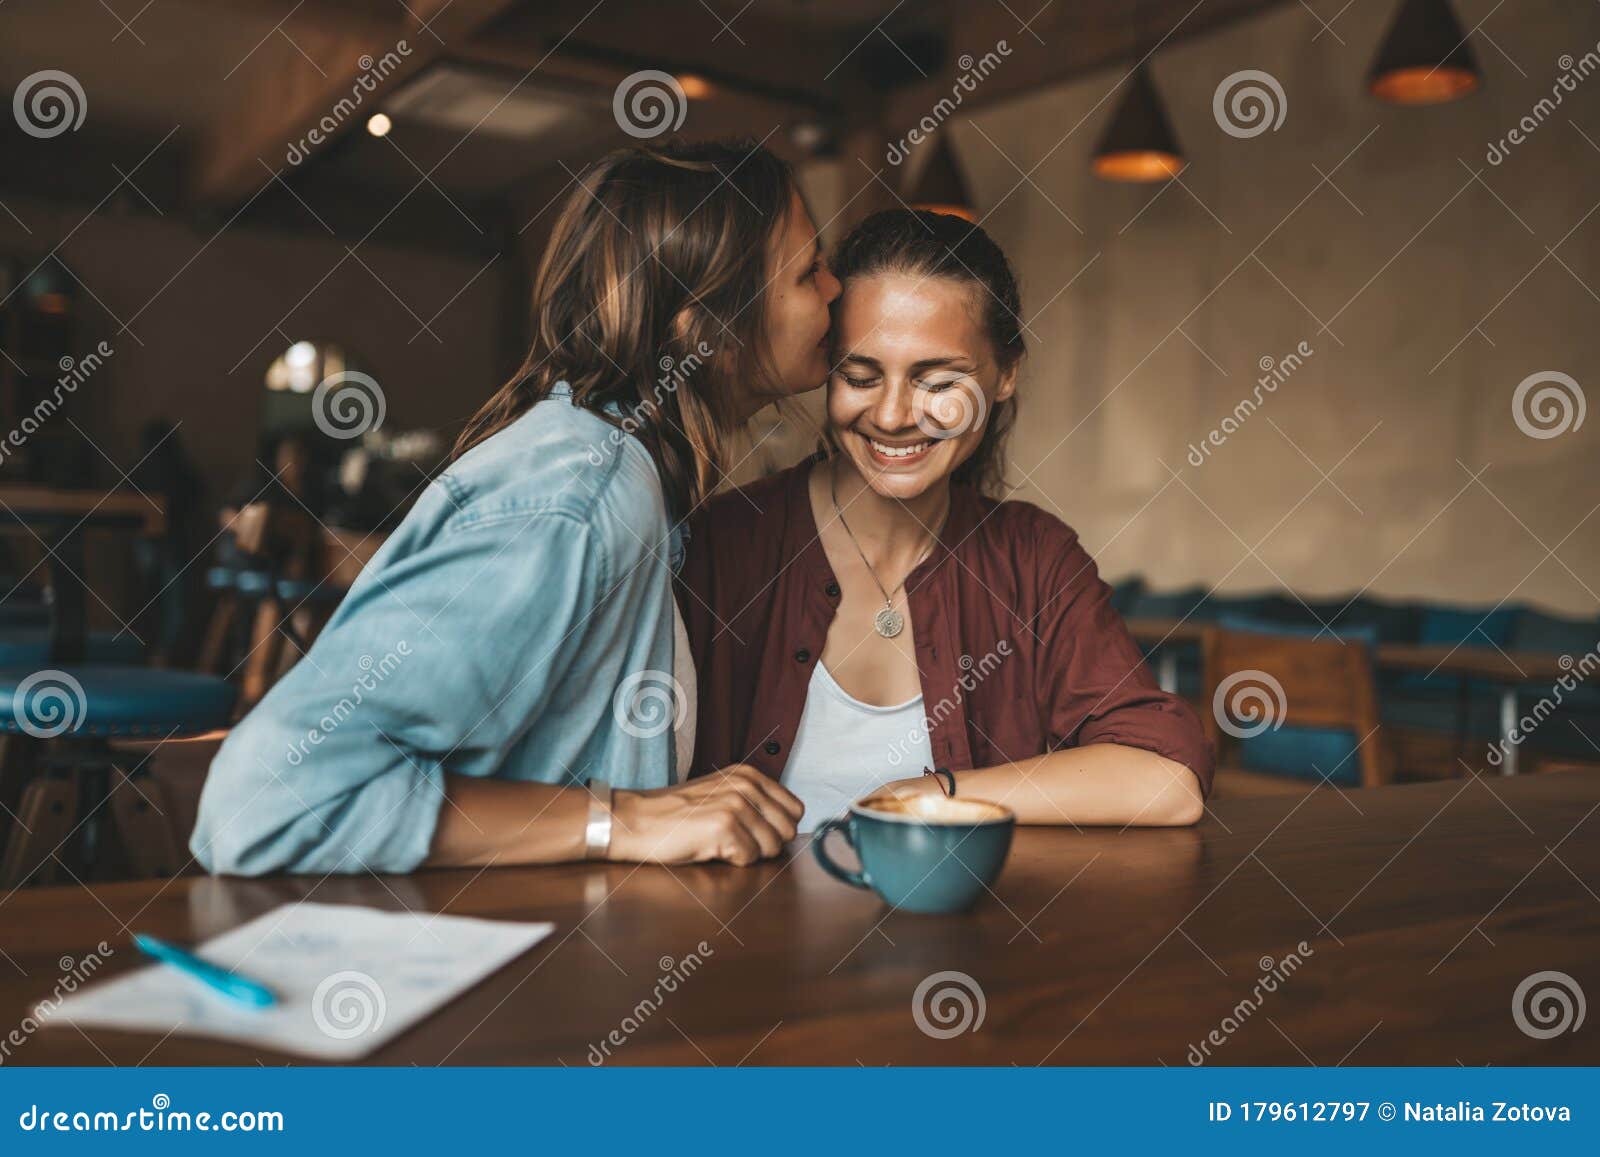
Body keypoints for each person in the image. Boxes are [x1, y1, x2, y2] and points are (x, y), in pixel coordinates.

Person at [192, 140, 838, 875]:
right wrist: (619, 820)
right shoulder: (582, 499)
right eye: (808, 271)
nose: (835, 288)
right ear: (706, 332)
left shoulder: (629, 476)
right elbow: (262, 800)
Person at [680, 209, 1212, 832]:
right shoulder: (723, 542)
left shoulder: (1032, 557)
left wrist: (934, 796)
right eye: (859, 375)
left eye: (938, 381)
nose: (894, 415)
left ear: (1005, 374)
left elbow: (1166, 780)